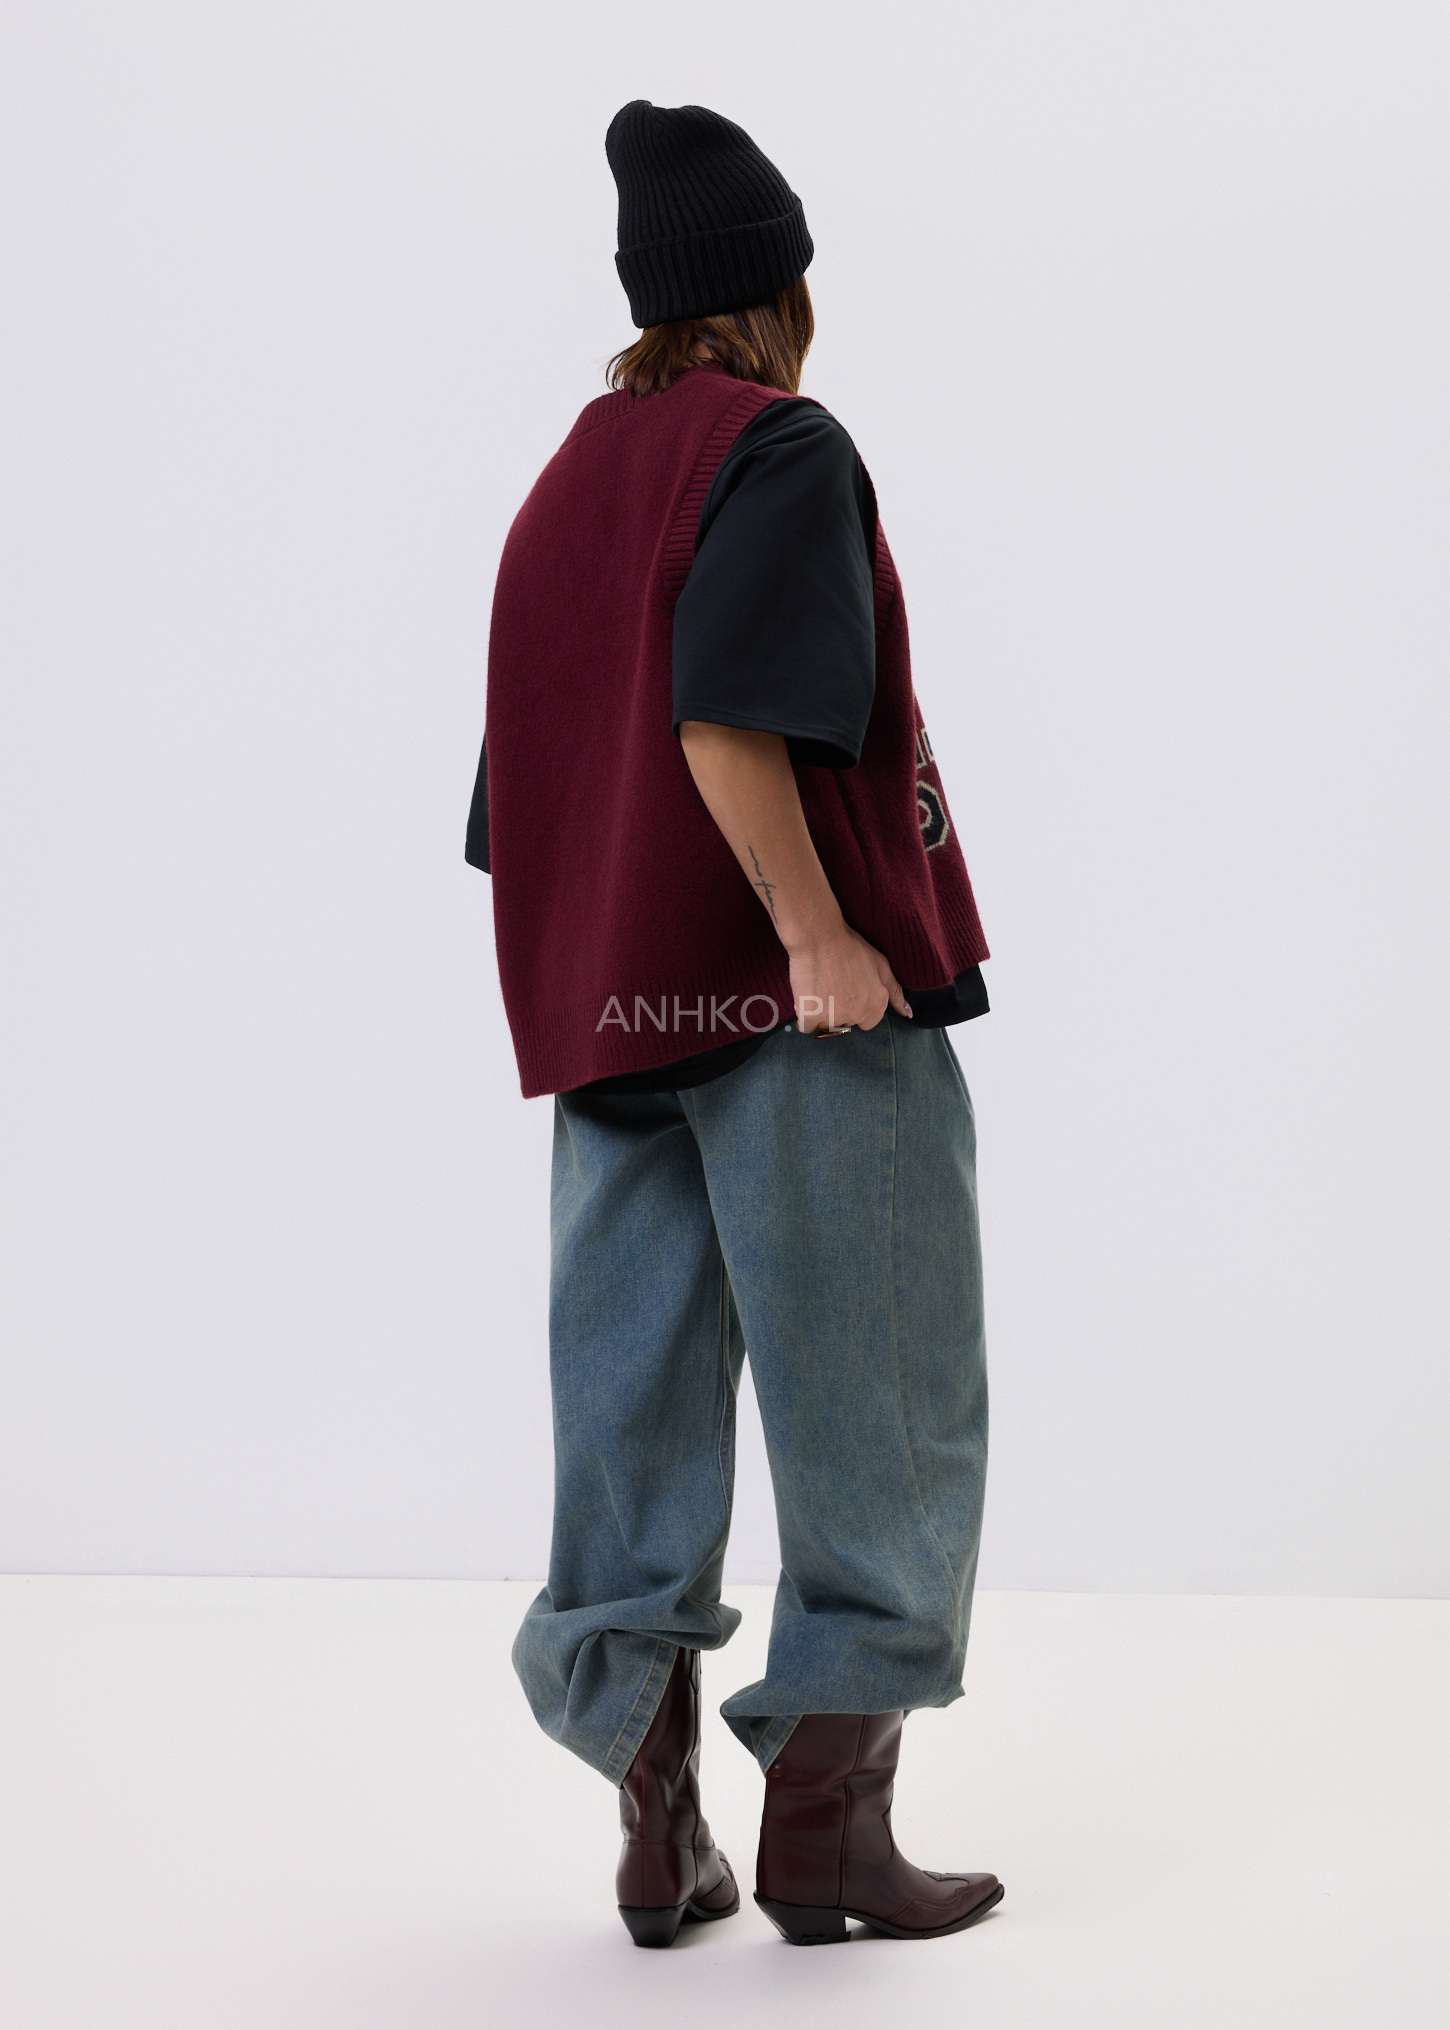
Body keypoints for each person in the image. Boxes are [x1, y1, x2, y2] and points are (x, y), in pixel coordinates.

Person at [467, 99, 1001, 1949]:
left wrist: (612, 960)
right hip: (796, 1013)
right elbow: (723, 718)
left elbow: (522, 802)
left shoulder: (568, 481)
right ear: (776, 286)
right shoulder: (777, 447)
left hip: (612, 1013)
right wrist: (816, 932)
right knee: (885, 1401)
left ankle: (658, 1832)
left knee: (629, 1410)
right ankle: (830, 1836)